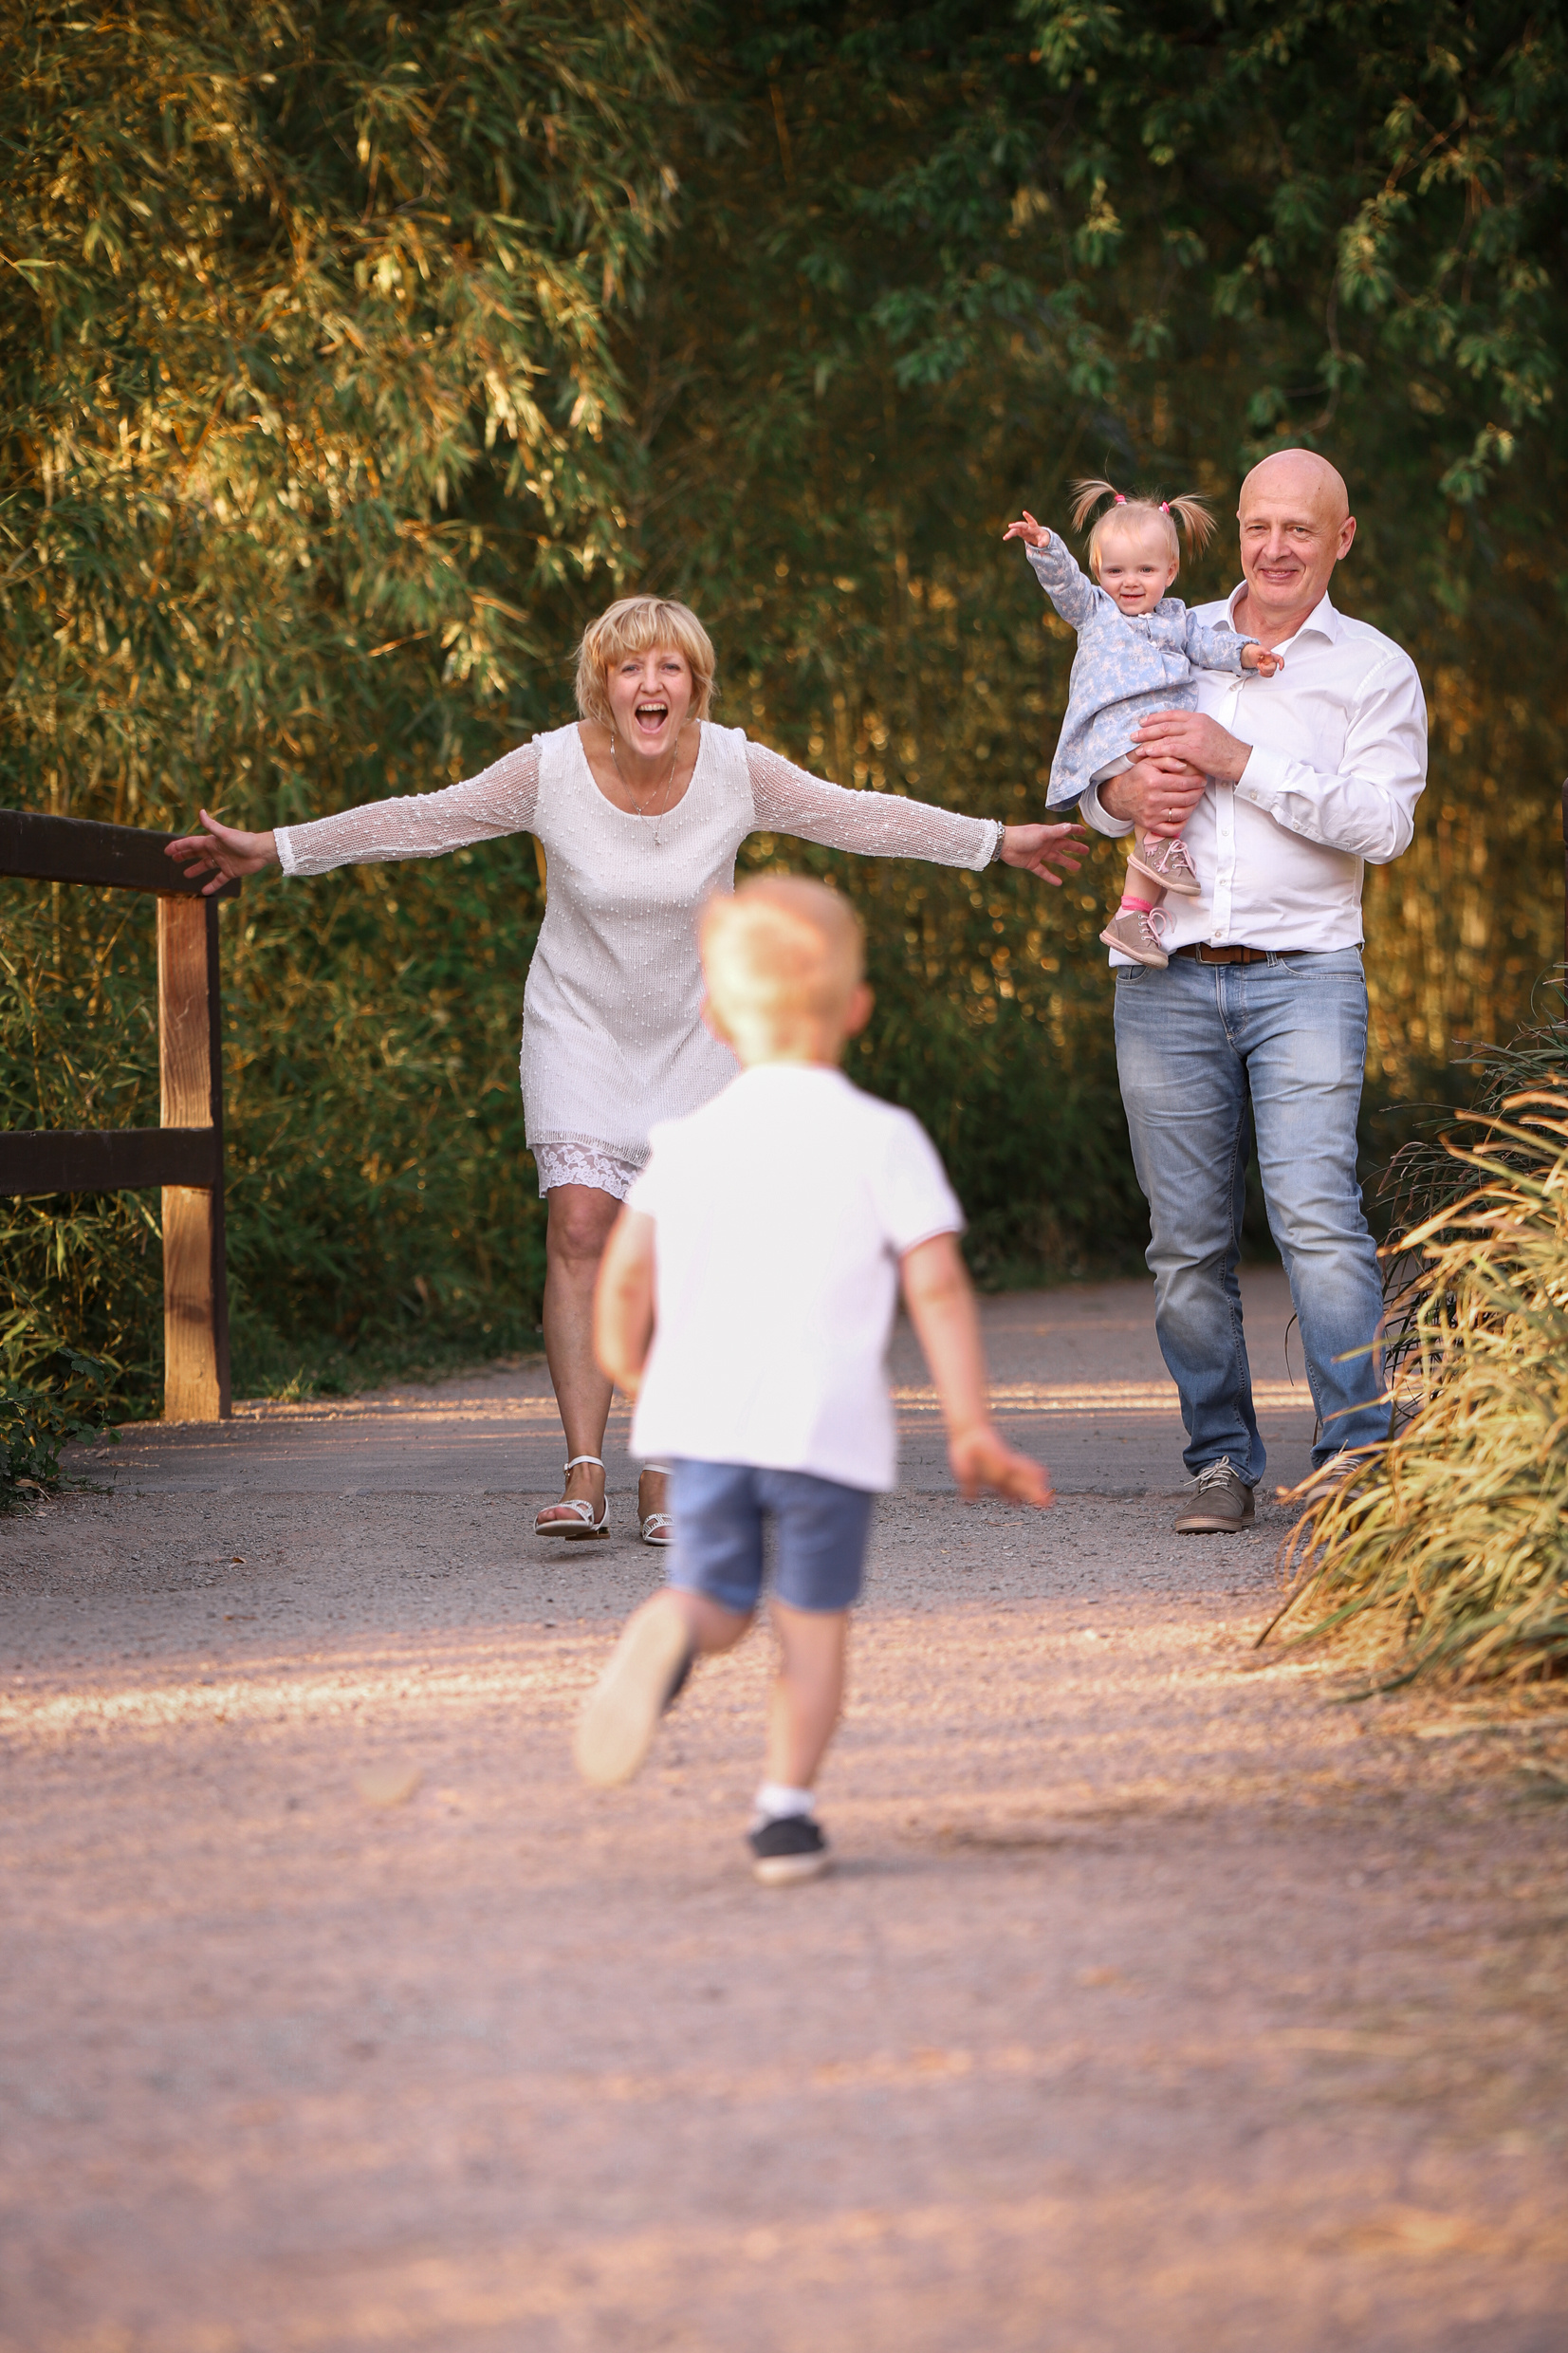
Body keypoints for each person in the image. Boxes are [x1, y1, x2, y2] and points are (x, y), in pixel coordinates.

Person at [167, 596, 1086, 1545]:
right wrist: (274, 850)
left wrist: (996, 840)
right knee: (580, 1222)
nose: (651, 684)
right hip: (579, 1022)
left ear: (695, 687)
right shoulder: (549, 768)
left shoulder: (735, 767)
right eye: (630, 668)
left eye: (671, 668)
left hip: (699, 1035)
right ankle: (584, 1468)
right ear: (603, 687)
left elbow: (858, 815)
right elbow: (425, 818)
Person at [576, 877, 1052, 1883]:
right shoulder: (883, 1137)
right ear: (858, 1008)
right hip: (824, 1427)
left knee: (719, 1602)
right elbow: (939, 1287)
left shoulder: (687, 1143)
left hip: (703, 1423)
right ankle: (784, 1812)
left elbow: (619, 1286)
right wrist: (970, 1424)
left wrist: (642, 1377)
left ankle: (671, 1625)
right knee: (812, 1623)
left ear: (712, 1017)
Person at [1070, 448, 1427, 1534]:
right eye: (1259, 526)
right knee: (1183, 1244)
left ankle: (1357, 1455)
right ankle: (1220, 1460)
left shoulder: (1374, 670)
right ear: (1236, 528)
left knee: (1317, 1220)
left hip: (1305, 979)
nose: (1275, 549)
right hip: (1163, 977)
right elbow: (1093, 771)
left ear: (1343, 539)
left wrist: (1240, 757)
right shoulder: (1157, 627)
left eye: (1300, 532)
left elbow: (1384, 825)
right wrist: (1116, 789)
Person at [1004, 479, 1282, 968]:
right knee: (1180, 765)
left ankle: (1133, 914)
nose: (1129, 582)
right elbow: (1066, 586)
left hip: (1158, 735)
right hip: (1116, 736)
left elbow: (1210, 645)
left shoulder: (1179, 619)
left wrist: (1247, 652)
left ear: (1170, 571)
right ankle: (1156, 857)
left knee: (1180, 780)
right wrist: (1046, 548)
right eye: (1115, 571)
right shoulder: (1097, 612)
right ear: (1098, 571)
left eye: (1145, 570)